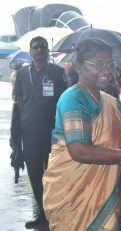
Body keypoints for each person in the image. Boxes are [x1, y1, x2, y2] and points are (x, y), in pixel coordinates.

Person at [42, 38, 121, 230]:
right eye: (98, 64)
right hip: (73, 196)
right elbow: (80, 151)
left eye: (110, 64)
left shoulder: (109, 102)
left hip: (102, 196)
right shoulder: (73, 98)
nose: (107, 70)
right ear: (78, 66)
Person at [10, 36, 67, 230]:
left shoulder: (58, 73)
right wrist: (14, 136)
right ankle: (42, 215)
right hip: (29, 134)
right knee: (35, 175)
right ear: (30, 51)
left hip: (54, 135)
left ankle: (56, 212)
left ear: (47, 50)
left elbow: (65, 103)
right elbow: (17, 106)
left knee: (54, 175)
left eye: (43, 47)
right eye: (36, 47)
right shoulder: (22, 74)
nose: (39, 51)